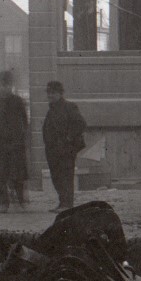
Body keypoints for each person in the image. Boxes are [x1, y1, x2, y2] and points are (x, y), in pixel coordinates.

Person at [0, 69, 33, 211]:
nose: (5, 87)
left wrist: (23, 139)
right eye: (2, 84)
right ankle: (4, 203)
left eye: (7, 84)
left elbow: (24, 122)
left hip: (16, 143)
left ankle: (21, 201)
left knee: (18, 174)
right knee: (0, 175)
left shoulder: (17, 101)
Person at [41, 81, 88, 213]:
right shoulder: (52, 109)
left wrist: (68, 139)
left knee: (66, 177)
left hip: (66, 150)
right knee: (57, 177)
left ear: (60, 93)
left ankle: (67, 204)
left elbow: (81, 124)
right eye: (48, 92)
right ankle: (63, 203)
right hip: (53, 150)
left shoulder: (69, 107)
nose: (50, 95)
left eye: (53, 93)